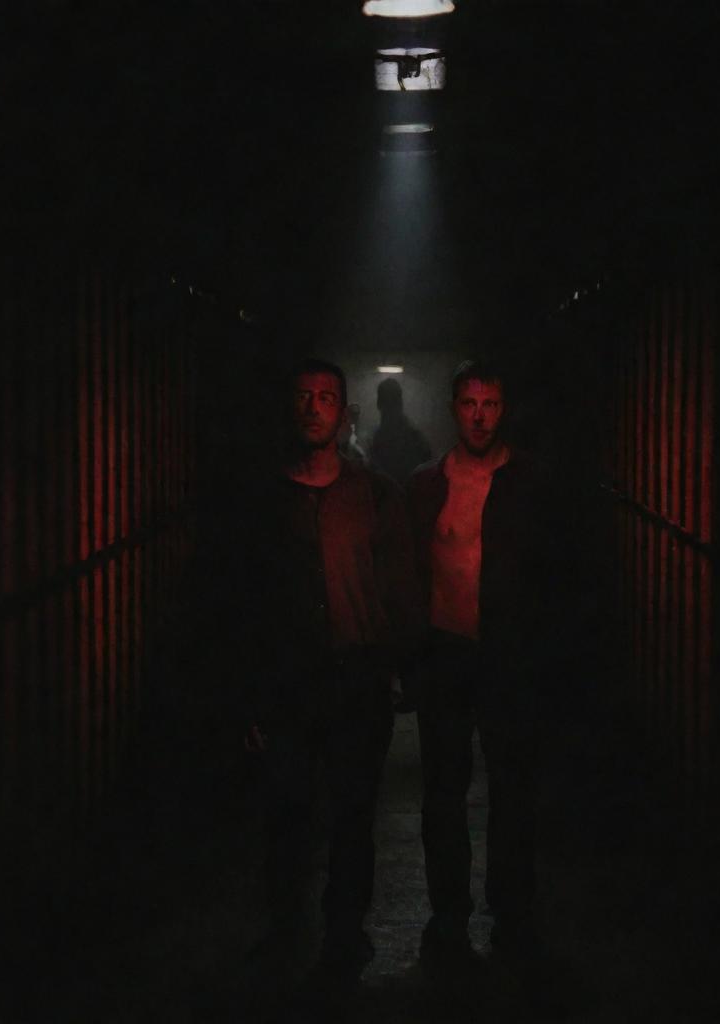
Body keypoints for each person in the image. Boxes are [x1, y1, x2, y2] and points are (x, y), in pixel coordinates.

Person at [239, 357, 419, 998]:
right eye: (303, 395)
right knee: (286, 813)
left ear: (344, 412)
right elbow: (245, 603)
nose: (313, 407)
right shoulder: (263, 501)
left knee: (350, 814)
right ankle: (287, 927)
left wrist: (398, 669)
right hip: (289, 679)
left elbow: (399, 591)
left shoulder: (374, 495)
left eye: (325, 397)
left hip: (356, 676)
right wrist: (249, 695)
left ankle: (343, 932)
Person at [407, 359, 553, 986]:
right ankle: (449, 916)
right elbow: (407, 573)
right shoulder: (426, 485)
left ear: (505, 409)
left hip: (510, 657)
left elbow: (560, 576)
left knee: (513, 792)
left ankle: (511, 914)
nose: (479, 416)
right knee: (443, 792)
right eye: (469, 404)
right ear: (452, 409)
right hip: (445, 655)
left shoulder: (532, 486)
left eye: (490, 404)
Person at [370, 377, 432, 486]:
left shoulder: (415, 438)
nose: (389, 407)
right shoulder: (416, 437)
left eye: (391, 401)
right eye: (387, 400)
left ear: (378, 403)